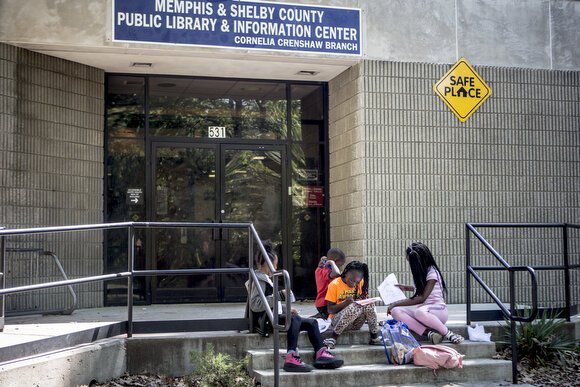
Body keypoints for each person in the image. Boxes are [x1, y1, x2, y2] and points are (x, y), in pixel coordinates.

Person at [248, 240, 344, 372]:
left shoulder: (266, 278)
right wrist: (279, 295)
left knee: (312, 323)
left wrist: (286, 308)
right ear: (266, 263)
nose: (276, 267)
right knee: (295, 319)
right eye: (275, 263)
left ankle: (321, 354)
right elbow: (255, 304)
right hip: (265, 321)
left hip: (273, 316)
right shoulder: (259, 279)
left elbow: (270, 302)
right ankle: (291, 356)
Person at [387, 242, 464, 344]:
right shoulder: (422, 272)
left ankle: (448, 334)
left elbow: (422, 298)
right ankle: (429, 334)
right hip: (423, 314)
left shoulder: (432, 272)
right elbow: (421, 289)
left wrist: (395, 303)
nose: (410, 265)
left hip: (437, 312)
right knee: (395, 311)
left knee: (418, 312)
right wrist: (406, 288)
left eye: (411, 262)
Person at [324, 260, 382, 349]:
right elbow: (330, 310)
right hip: (336, 321)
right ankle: (333, 338)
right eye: (351, 280)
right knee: (355, 306)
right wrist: (345, 303)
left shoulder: (360, 282)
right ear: (346, 272)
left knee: (369, 304)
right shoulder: (334, 284)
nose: (354, 284)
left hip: (356, 323)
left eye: (357, 282)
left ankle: (374, 337)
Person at [314, 248, 346, 319]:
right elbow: (337, 273)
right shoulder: (326, 271)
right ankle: (323, 316)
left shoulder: (320, 269)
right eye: (340, 265)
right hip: (325, 304)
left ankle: (322, 315)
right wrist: (331, 262)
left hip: (322, 303)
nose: (339, 267)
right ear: (336, 261)